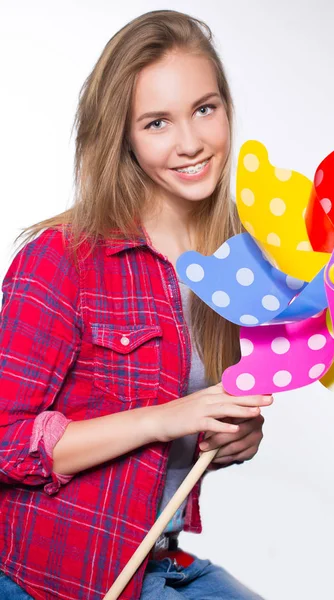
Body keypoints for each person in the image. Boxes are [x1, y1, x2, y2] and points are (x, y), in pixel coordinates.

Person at [0, 9, 273, 600]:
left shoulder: (242, 266)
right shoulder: (61, 258)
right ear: (121, 136)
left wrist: (229, 440)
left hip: (159, 559)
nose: (191, 142)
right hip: (54, 577)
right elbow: (3, 437)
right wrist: (163, 418)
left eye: (205, 108)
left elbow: (186, 436)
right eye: (157, 123)